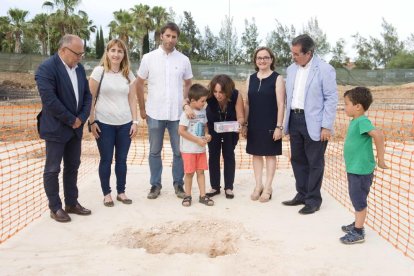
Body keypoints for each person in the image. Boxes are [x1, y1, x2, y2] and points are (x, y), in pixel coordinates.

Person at [35, 34, 92, 222]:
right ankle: (55, 207)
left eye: (82, 54)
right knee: (52, 169)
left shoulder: (79, 68)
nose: (80, 58)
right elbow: (50, 101)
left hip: (75, 128)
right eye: (77, 54)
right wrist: (71, 119)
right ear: (63, 50)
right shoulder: (46, 68)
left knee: (73, 166)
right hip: (56, 128)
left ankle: (71, 203)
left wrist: (81, 118)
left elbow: (87, 96)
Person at [135, 22, 193, 200]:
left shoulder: (183, 60)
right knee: (154, 151)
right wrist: (143, 108)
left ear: (177, 39)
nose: (170, 39)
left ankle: (178, 184)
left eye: (174, 37)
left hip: (177, 115)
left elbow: (188, 83)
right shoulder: (148, 58)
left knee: (179, 152)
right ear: (161, 36)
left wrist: (185, 103)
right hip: (155, 113)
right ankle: (155, 185)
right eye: (167, 35)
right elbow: (139, 83)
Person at [282, 34, 338, 214]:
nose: (293, 57)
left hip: (314, 123)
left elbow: (331, 99)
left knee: (315, 162)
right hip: (294, 119)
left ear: (309, 53)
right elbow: (287, 98)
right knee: (298, 160)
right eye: (292, 53)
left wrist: (326, 126)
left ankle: (313, 200)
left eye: (297, 54)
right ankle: (302, 194)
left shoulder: (325, 69)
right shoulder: (291, 70)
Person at [88, 39, 138, 207]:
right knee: (106, 159)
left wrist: (135, 121)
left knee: (122, 160)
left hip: (125, 124)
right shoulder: (99, 72)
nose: (116, 54)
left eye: (120, 51)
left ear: (124, 55)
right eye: (113, 50)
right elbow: (90, 98)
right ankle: (107, 193)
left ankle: (121, 192)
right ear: (107, 53)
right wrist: (92, 121)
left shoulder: (129, 74)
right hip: (104, 124)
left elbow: (132, 99)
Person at [340, 87, 388, 244]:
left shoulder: (362, 121)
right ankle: (357, 224)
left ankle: (359, 232)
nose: (344, 107)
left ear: (358, 106)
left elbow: (378, 135)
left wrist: (381, 159)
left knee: (359, 200)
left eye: (346, 104)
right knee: (356, 198)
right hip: (354, 169)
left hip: (360, 171)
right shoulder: (356, 120)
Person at [242, 47, 285, 203]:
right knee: (256, 154)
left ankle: (268, 187)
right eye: (259, 58)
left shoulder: (277, 78)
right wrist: (245, 124)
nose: (262, 60)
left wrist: (279, 126)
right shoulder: (250, 78)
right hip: (254, 122)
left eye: (266, 57)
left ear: (271, 60)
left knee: (270, 154)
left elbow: (281, 104)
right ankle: (258, 185)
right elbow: (247, 103)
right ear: (255, 60)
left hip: (271, 123)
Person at [205, 74, 245, 199]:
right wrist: (187, 106)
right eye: (215, 91)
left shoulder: (236, 95)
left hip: (230, 130)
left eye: (221, 92)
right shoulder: (208, 95)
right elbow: (190, 99)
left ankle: (229, 187)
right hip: (213, 130)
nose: (218, 95)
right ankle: (215, 187)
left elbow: (241, 117)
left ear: (228, 90)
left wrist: (239, 124)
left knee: (229, 156)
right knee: (213, 157)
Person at [178, 84, 214, 207]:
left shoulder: (203, 112)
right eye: (202, 101)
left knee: (201, 173)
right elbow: (181, 131)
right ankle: (187, 196)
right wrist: (196, 140)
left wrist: (207, 135)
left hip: (201, 150)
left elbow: (205, 126)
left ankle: (203, 195)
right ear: (192, 101)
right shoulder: (186, 114)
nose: (204, 103)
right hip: (189, 150)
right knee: (189, 173)